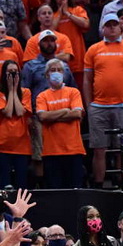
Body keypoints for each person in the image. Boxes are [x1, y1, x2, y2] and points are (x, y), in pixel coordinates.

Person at [83, 13, 123, 188]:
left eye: (114, 25)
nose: (111, 28)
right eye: (108, 25)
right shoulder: (93, 49)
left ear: (120, 27)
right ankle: (99, 186)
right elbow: (87, 79)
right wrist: (89, 104)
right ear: (103, 28)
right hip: (99, 106)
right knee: (99, 149)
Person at [36, 58, 85, 189]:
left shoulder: (73, 92)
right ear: (47, 74)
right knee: (55, 191)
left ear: (63, 73)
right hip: (51, 151)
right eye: (53, 70)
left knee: (74, 190)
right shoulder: (42, 96)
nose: (56, 72)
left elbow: (77, 114)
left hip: (73, 150)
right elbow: (42, 116)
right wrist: (65, 111)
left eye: (59, 70)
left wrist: (52, 117)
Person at [50, 0, 89, 89]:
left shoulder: (77, 10)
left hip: (78, 59)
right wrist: (60, 13)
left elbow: (86, 24)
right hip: (59, 61)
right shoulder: (51, 13)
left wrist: (68, 14)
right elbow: (50, 30)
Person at [0, 60, 31, 189]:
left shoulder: (26, 92)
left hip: (22, 145)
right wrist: (10, 89)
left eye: (15, 72)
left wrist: (13, 90)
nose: (12, 75)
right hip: (2, 145)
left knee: (21, 185)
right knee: (4, 186)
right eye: (9, 72)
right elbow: (7, 112)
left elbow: (19, 112)